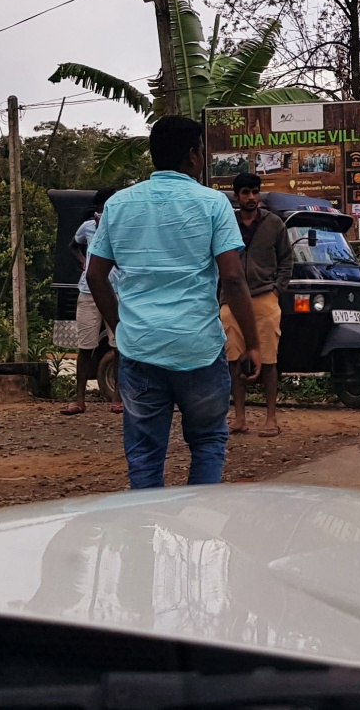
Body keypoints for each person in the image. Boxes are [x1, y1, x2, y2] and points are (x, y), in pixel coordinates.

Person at [85, 116, 259, 488]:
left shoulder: (118, 205)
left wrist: (122, 329)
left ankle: (143, 533)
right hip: (199, 350)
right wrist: (253, 343)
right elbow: (232, 277)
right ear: (194, 156)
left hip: (141, 350)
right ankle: (198, 531)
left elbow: (95, 275)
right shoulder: (213, 205)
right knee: (208, 442)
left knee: (146, 454)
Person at [221, 172, 293, 438]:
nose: (251, 198)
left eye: (255, 192)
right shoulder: (227, 223)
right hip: (231, 301)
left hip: (265, 298)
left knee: (269, 360)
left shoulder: (274, 224)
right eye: (245, 193)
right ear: (236, 196)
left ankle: (271, 418)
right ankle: (239, 417)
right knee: (234, 359)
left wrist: (276, 290)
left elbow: (287, 260)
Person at [59, 188, 122, 415]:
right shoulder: (88, 228)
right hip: (88, 292)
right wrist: (83, 262)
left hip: (116, 291)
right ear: (98, 209)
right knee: (86, 346)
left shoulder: (121, 227)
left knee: (118, 345)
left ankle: (118, 397)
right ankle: (79, 399)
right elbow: (72, 245)